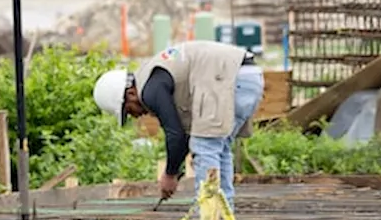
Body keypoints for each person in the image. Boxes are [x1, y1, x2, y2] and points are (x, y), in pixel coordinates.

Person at [93, 41, 265, 207]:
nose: (136, 116)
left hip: (230, 77)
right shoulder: (153, 77)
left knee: (205, 145)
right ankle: (222, 214)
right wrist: (174, 170)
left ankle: (207, 215)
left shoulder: (149, 90)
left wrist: (169, 174)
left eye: (128, 111)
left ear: (130, 93)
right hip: (250, 77)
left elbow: (175, 134)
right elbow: (182, 136)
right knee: (220, 148)